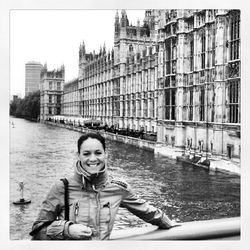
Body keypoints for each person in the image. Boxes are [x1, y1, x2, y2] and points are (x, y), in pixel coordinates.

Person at [30, 132, 179, 240]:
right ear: (78, 156)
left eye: (98, 153)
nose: (93, 159)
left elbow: (148, 212)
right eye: (86, 154)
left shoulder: (118, 188)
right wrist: (67, 229)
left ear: (105, 154)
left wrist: (171, 224)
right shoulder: (62, 187)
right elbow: (37, 230)